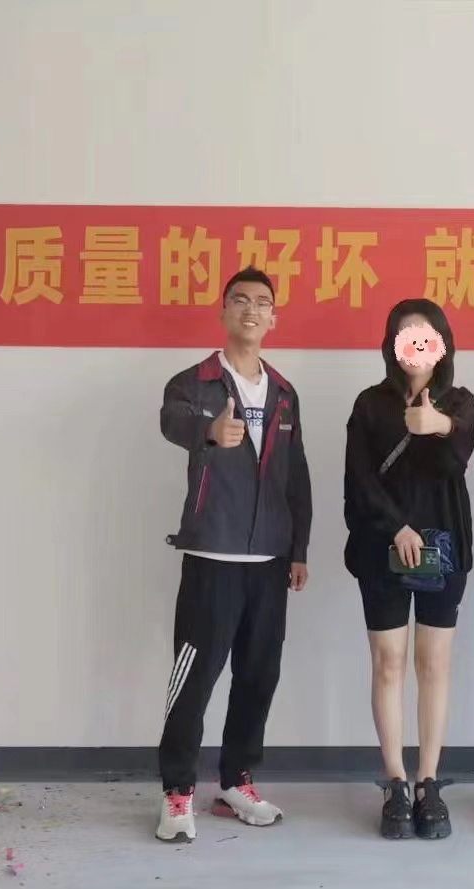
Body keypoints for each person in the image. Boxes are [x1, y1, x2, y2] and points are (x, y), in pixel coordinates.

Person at [153, 267, 312, 843]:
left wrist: (298, 549)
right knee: (194, 680)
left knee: (258, 675)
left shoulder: (284, 392)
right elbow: (171, 420)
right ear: (223, 312)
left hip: (269, 561)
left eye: (262, 302)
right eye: (240, 300)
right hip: (212, 554)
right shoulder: (194, 382)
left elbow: (296, 476)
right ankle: (177, 792)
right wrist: (208, 431)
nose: (251, 309)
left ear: (273, 317)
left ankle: (236, 781)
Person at [343, 298, 474, 840]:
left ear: (442, 344)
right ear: (391, 344)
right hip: (383, 545)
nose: (416, 345)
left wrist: (438, 423)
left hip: (445, 546)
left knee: (433, 663)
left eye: (426, 335)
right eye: (406, 335)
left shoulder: (461, 403)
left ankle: (428, 780)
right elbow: (358, 480)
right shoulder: (369, 403)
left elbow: (455, 461)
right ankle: (396, 780)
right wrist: (395, 526)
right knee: (388, 663)